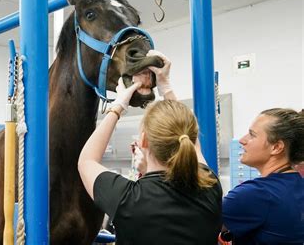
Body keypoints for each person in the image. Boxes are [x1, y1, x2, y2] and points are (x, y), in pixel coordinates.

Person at [78, 51, 222, 244]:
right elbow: (189, 135)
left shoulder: (126, 199)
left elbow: (86, 160)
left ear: (143, 140)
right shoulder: (210, 186)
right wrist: (165, 86)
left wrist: (118, 105)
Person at [222, 108, 304, 244]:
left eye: (252, 135)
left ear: (276, 147)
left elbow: (195, 224)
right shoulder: (297, 185)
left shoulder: (257, 193)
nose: (242, 140)